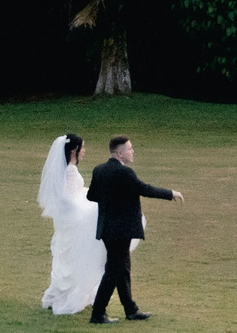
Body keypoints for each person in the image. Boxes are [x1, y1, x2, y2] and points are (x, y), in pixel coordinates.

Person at [86, 135, 183, 323]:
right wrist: (170, 194)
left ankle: (130, 309)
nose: (133, 152)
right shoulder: (125, 173)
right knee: (114, 270)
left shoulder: (99, 170)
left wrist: (112, 200)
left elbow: (92, 196)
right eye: (130, 149)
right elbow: (144, 189)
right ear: (120, 153)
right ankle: (98, 313)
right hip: (121, 229)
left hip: (107, 228)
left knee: (122, 268)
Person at [37, 132, 106, 314]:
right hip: (73, 220)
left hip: (66, 221)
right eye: (82, 147)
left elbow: (72, 193)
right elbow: (67, 199)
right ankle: (69, 294)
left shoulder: (67, 170)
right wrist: (88, 207)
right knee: (75, 256)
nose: (85, 151)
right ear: (74, 150)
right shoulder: (70, 171)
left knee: (66, 256)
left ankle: (58, 293)